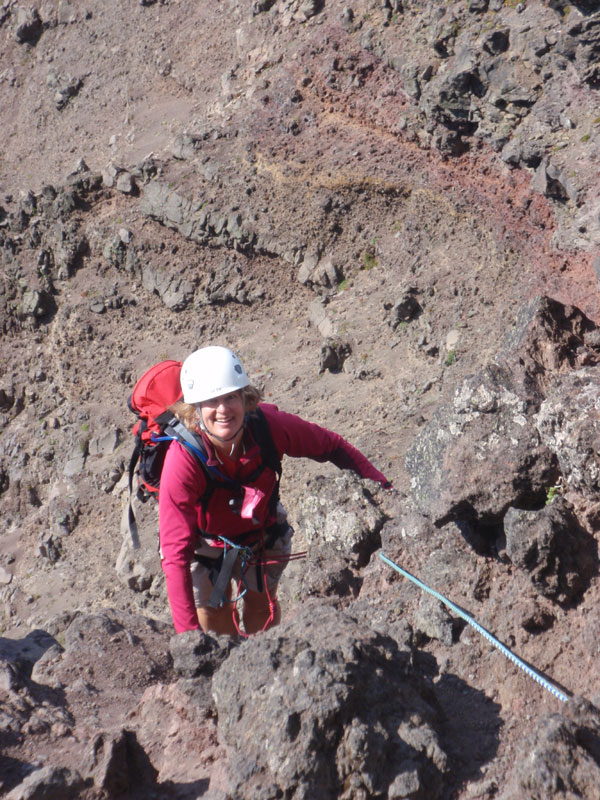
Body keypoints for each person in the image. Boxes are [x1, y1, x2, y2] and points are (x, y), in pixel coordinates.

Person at [159, 345, 392, 637]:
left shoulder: (269, 427)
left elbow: (332, 446)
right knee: (215, 622)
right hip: (204, 544)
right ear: (195, 411)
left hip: (261, 533)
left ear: (245, 398)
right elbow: (175, 554)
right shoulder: (183, 461)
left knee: (262, 611)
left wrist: (385, 489)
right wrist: (190, 643)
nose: (222, 409)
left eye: (231, 396)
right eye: (211, 400)